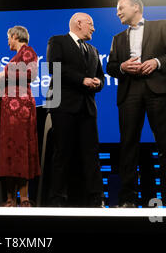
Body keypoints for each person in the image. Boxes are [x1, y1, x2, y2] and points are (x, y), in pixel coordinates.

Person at [107, 0, 166, 208]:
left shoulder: (160, 26)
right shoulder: (117, 38)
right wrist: (123, 67)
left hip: (158, 90)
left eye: (121, 8)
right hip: (129, 91)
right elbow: (111, 67)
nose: (118, 13)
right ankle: (127, 200)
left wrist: (157, 61)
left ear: (136, 7)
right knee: (128, 146)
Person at [46, 13, 105, 207]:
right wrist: (81, 80)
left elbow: (101, 78)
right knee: (62, 153)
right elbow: (54, 68)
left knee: (91, 154)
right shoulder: (57, 41)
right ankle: (57, 199)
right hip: (64, 105)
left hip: (88, 108)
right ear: (78, 23)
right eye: (91, 23)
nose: (93, 28)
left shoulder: (94, 50)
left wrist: (98, 83)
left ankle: (96, 198)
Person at [0, 26, 41, 207]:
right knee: (8, 153)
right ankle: (11, 198)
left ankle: (24, 198)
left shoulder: (28, 51)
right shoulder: (16, 56)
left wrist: (3, 74)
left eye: (8, 38)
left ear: (14, 36)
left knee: (21, 150)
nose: (7, 41)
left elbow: (31, 74)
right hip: (7, 110)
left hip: (20, 110)